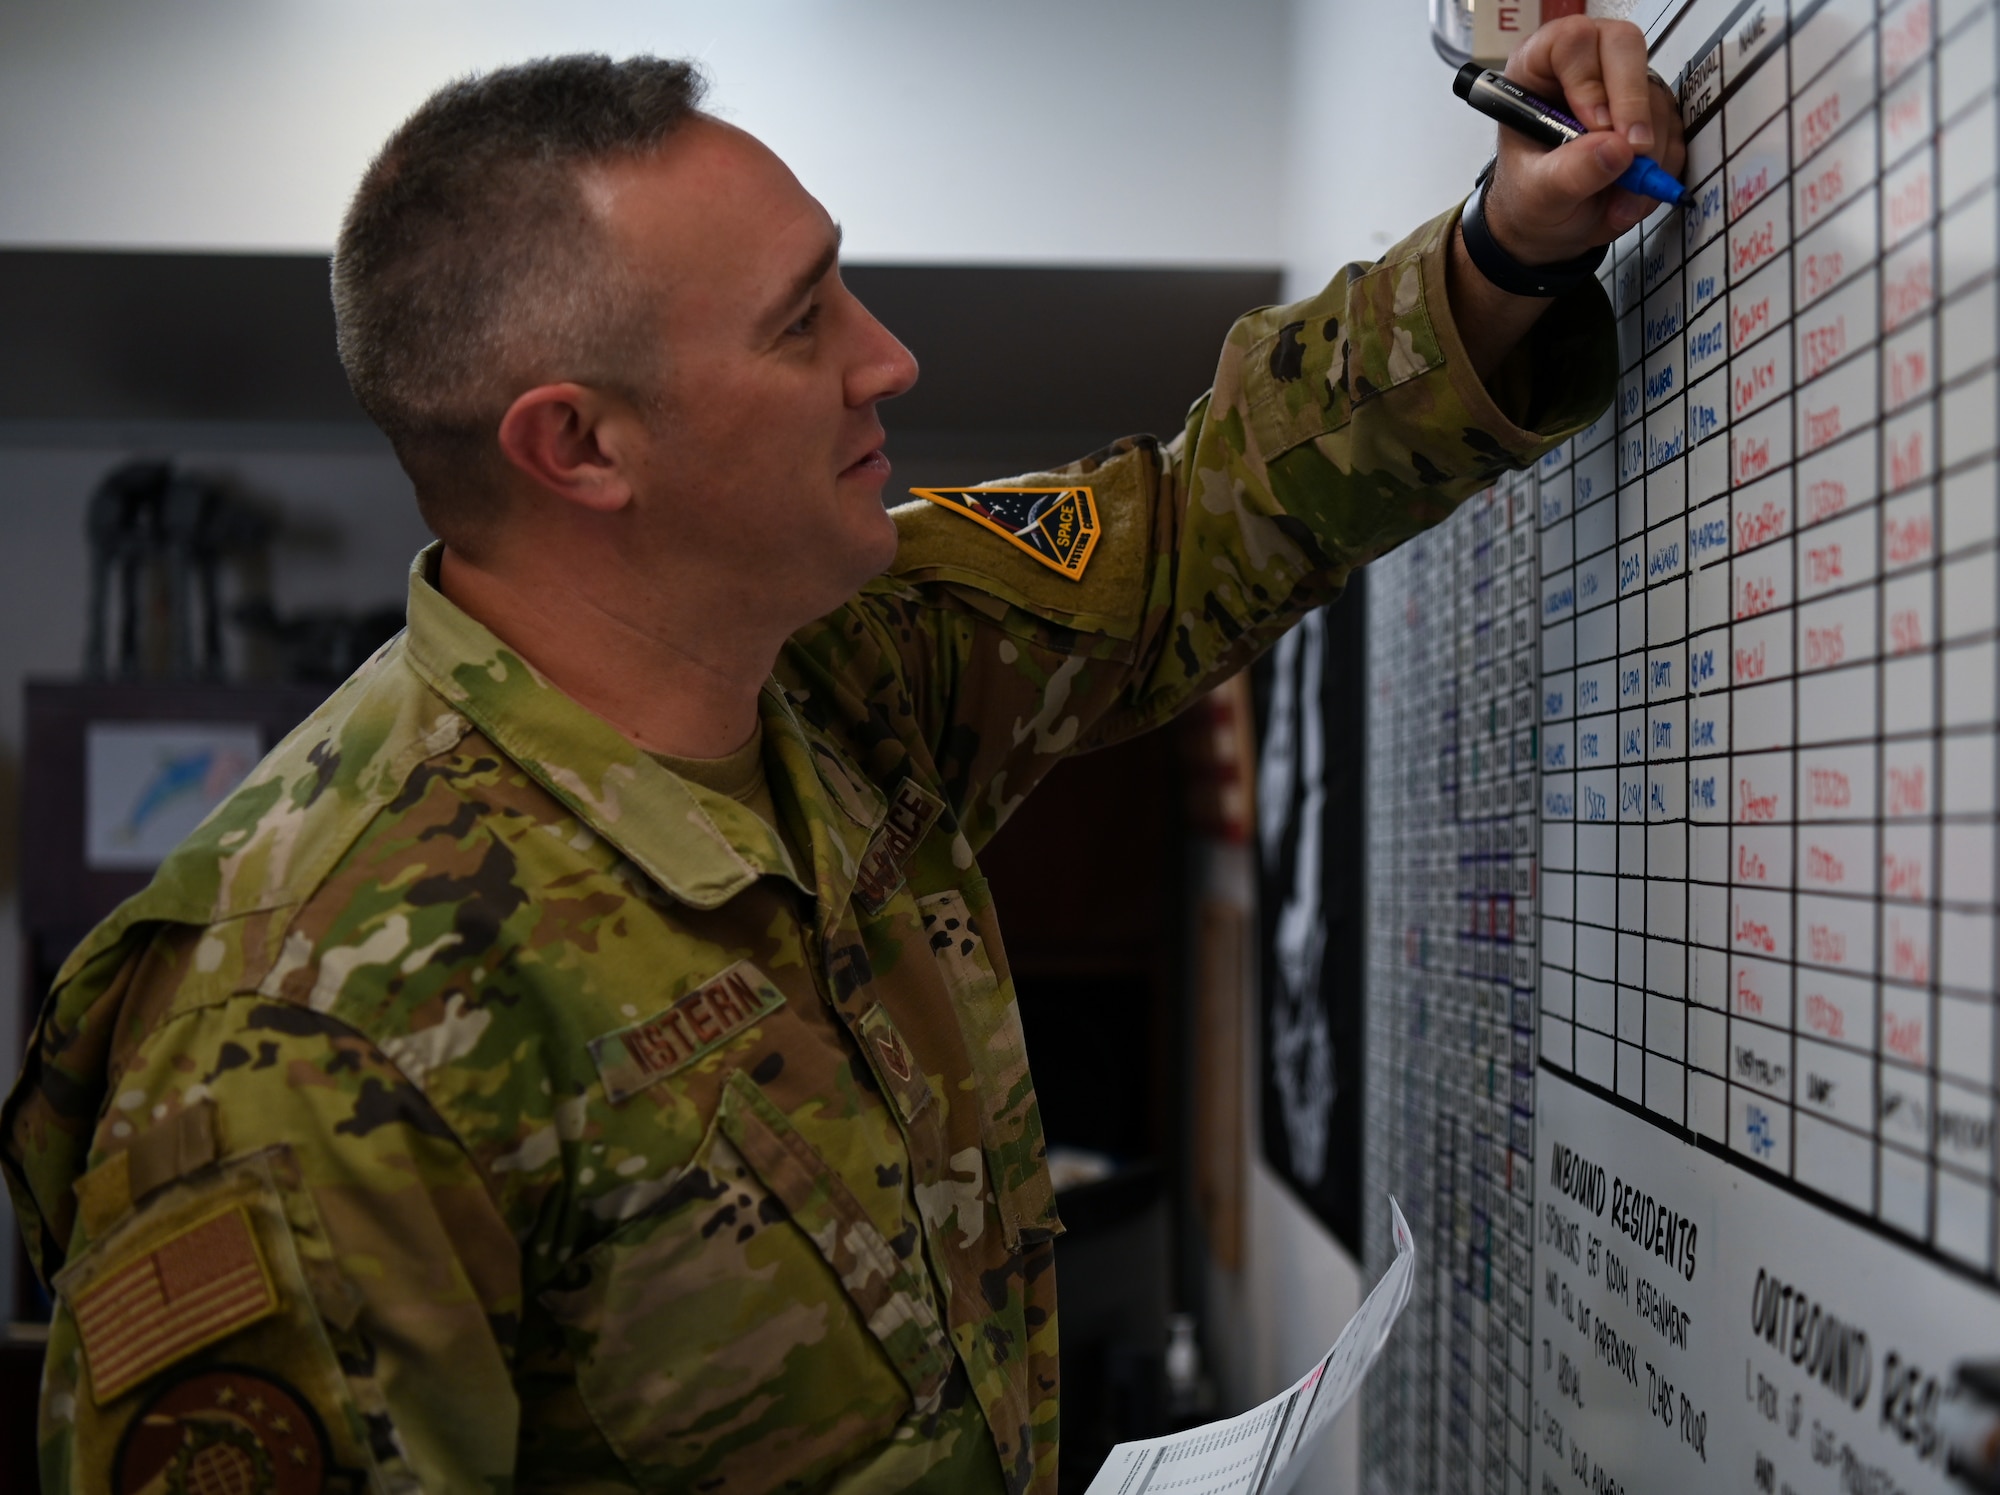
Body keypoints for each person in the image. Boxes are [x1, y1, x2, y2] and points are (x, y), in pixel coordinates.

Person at [5, 19, 1682, 1494]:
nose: (890, 356)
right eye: (804, 322)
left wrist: (1505, 249)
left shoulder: (838, 671)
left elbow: (1186, 533)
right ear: (579, 445)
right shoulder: (304, 1026)